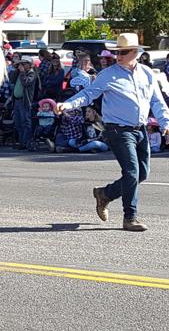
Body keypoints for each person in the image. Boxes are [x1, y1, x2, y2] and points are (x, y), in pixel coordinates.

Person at [57, 33, 169, 232]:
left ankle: (105, 194)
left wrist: (165, 123)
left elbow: (157, 101)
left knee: (142, 173)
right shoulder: (108, 74)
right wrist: (67, 105)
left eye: (123, 52)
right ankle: (130, 217)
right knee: (131, 172)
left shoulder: (147, 73)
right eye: (117, 52)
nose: (118, 56)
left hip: (140, 129)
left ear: (135, 52)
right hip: (118, 129)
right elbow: (88, 94)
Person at [9, 56, 40, 149]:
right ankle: (21, 141)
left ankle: (25, 142)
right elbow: (11, 79)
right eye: (21, 64)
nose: (22, 66)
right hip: (17, 100)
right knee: (18, 123)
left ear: (30, 65)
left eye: (24, 64)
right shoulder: (19, 73)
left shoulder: (32, 74)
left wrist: (22, 72)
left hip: (25, 101)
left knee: (25, 122)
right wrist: (16, 69)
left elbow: (26, 83)